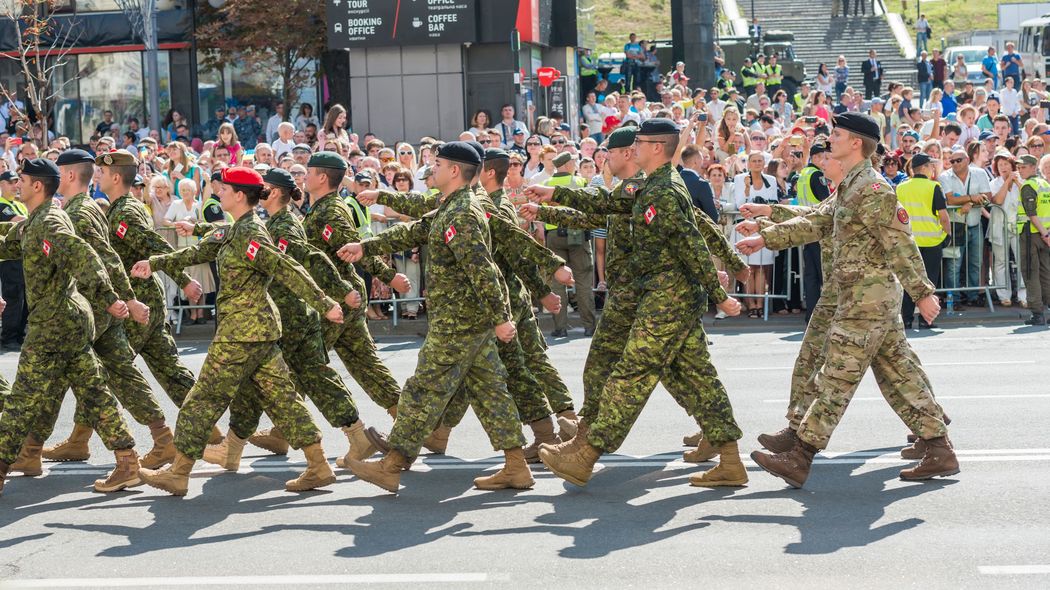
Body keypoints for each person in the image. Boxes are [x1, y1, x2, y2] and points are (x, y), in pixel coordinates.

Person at [526, 118, 746, 489]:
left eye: (639, 143)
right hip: (656, 295)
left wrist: (719, 294)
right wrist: (553, 197)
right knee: (694, 375)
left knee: (630, 375)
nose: (633, 149)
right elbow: (603, 205)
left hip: (666, 299)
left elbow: (692, 241)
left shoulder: (663, 190)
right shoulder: (648, 186)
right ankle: (729, 458)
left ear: (655, 147)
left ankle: (586, 454)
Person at [740, 112, 956, 488]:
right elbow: (818, 221)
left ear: (856, 143)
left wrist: (922, 293)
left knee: (837, 376)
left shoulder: (874, 189)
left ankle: (800, 455)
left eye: (837, 135)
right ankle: (938, 446)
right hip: (857, 296)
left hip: (866, 300)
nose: (831, 140)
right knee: (898, 373)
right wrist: (766, 231)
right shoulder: (852, 185)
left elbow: (899, 243)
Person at [133, 167, 343, 496]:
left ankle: (178, 472)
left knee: (202, 399)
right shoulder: (235, 229)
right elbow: (199, 251)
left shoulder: (250, 233)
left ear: (240, 195)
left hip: (241, 333)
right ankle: (318, 465)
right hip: (257, 332)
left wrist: (324, 302)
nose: (218, 193)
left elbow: (285, 267)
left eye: (225, 189)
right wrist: (155, 262)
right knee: (284, 400)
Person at [338, 142, 533, 493]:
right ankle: (516, 466)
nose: (432, 169)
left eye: (438, 164)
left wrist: (502, 317)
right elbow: (413, 231)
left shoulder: (462, 213)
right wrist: (365, 247)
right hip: (468, 321)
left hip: (458, 323)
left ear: (455, 171)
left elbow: (483, 270)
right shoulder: (453, 206)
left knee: (421, 389)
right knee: (491, 391)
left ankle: (391, 465)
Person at [0, 158, 142, 496]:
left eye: (22, 180)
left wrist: (109, 298)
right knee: (94, 392)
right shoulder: (38, 220)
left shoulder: (49, 222)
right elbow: (8, 242)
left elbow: (85, 255)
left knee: (22, 400)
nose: (17, 185)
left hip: (53, 323)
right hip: (69, 320)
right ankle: (127, 462)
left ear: (37, 186)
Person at [543, 152, 596, 337]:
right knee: (583, 280)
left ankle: (560, 328)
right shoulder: (580, 182)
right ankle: (589, 326)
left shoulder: (547, 183)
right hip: (577, 233)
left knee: (557, 283)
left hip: (554, 234)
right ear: (567, 164)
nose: (575, 164)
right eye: (573, 162)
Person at [896, 154, 950, 328]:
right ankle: (926, 319)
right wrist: (947, 235)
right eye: (931, 166)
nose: (933, 169)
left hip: (908, 242)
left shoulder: (900, 188)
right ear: (925, 168)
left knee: (908, 281)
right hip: (931, 242)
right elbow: (944, 217)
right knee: (929, 282)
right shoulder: (934, 187)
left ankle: (907, 319)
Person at [939, 148, 991, 306]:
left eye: (958, 160)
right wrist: (971, 198)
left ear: (967, 160)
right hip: (955, 226)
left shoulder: (980, 173)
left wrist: (971, 203)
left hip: (975, 224)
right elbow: (950, 200)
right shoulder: (944, 176)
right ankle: (953, 300)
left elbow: (988, 197)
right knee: (954, 265)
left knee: (975, 263)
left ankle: (973, 297)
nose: (954, 163)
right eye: (952, 161)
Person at [1015, 154, 1050, 325]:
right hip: (1045, 233)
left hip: (1031, 234)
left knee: (1030, 273)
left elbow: (1031, 213)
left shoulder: (1029, 185)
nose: (1020, 170)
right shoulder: (1045, 184)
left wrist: (1044, 234)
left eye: (1023, 167)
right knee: (1045, 273)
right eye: (1019, 167)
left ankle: (1037, 313)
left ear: (1033, 167)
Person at [988, 151, 1025, 307]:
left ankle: (1024, 296)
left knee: (1022, 260)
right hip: (999, 227)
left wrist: (1016, 182)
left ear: (1012, 165)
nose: (1003, 167)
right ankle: (1004, 295)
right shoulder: (993, 183)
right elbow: (997, 200)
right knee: (1000, 262)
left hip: (1018, 227)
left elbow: (1028, 197)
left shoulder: (1021, 180)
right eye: (1000, 165)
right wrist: (1007, 181)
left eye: (1006, 164)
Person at [0, 171, 26, 351]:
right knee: (13, 298)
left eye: (17, 182)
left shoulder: (19, 205)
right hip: (8, 258)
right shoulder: (2, 204)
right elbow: (19, 221)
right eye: (11, 182)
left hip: (21, 257)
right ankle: (9, 337)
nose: (15, 186)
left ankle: (19, 335)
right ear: (1, 184)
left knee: (23, 299)